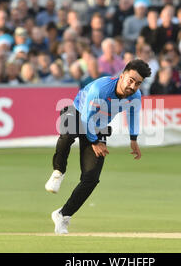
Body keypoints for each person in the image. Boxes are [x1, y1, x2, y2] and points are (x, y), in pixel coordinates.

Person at [44, 59, 151, 234]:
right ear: (122, 76)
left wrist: (133, 139)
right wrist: (94, 142)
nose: (133, 86)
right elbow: (86, 120)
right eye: (130, 80)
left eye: (138, 83)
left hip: (98, 125)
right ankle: (58, 172)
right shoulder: (100, 89)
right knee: (67, 135)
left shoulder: (135, 96)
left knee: (91, 178)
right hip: (78, 113)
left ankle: (63, 215)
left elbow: (133, 115)